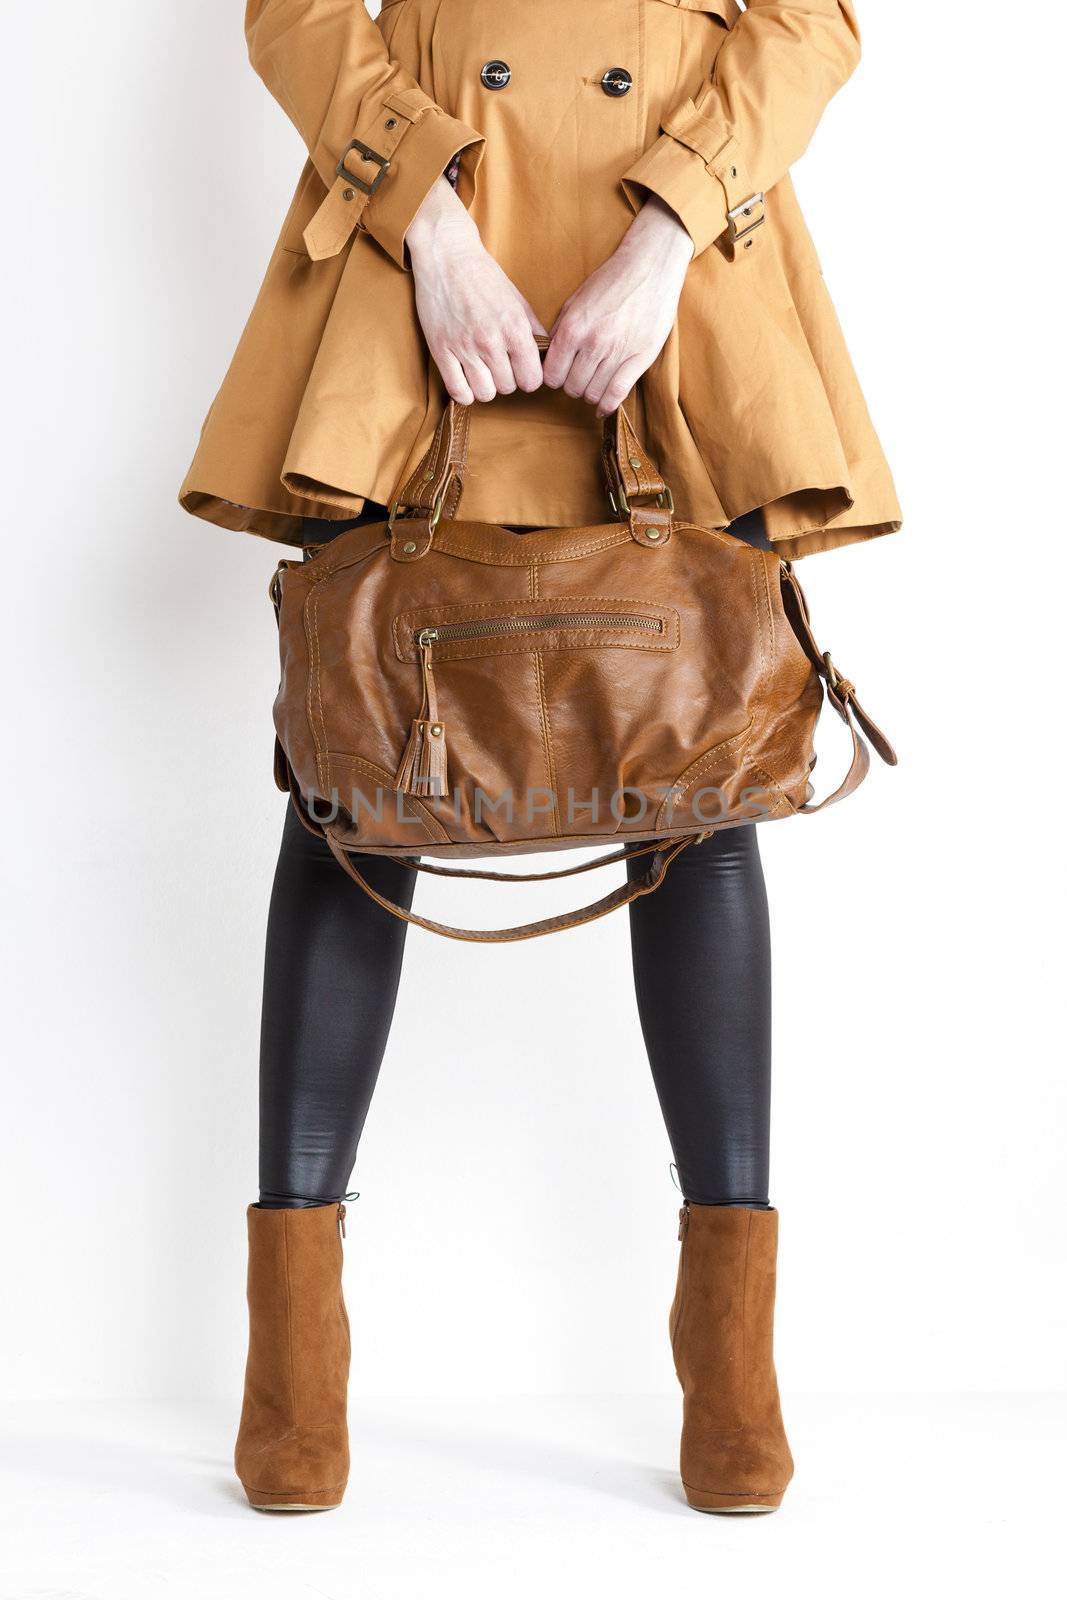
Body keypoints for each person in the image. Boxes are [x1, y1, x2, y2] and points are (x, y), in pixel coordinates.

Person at [180, 0, 900, 1516]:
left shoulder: (672, 254)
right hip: (419, 260)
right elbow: (294, 10)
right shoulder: (419, 235)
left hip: (678, 288)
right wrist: (424, 223)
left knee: (695, 787)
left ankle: (731, 1366)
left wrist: (667, 238)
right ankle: (293, 1371)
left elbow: (810, 25)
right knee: (356, 790)